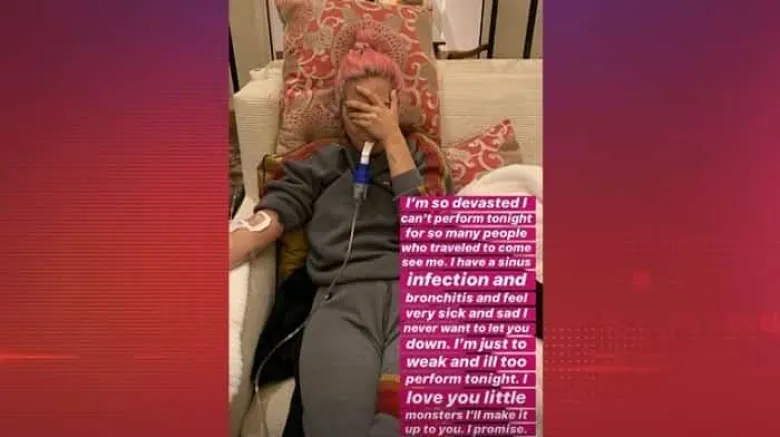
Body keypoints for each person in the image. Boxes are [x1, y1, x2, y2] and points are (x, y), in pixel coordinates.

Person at [229, 32, 450, 437]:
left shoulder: (421, 154)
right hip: (342, 298)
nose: (366, 122)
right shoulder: (318, 161)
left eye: (377, 108)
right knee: (336, 425)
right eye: (355, 110)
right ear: (338, 109)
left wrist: (392, 138)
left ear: (395, 105)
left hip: (418, 297)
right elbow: (271, 217)